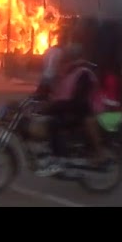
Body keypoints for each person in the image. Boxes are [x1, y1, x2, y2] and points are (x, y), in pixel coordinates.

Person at [35, 18, 103, 177]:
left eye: (66, 59)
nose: (63, 62)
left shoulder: (82, 74)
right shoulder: (71, 72)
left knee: (54, 124)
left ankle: (58, 160)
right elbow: (57, 87)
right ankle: (51, 153)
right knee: (47, 118)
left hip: (81, 113)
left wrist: (55, 106)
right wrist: (43, 96)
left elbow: (77, 102)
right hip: (74, 109)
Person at [34, 29, 68, 100]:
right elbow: (60, 68)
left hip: (45, 77)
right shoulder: (63, 52)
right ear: (65, 41)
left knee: (39, 99)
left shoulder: (49, 50)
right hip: (54, 80)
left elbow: (44, 64)